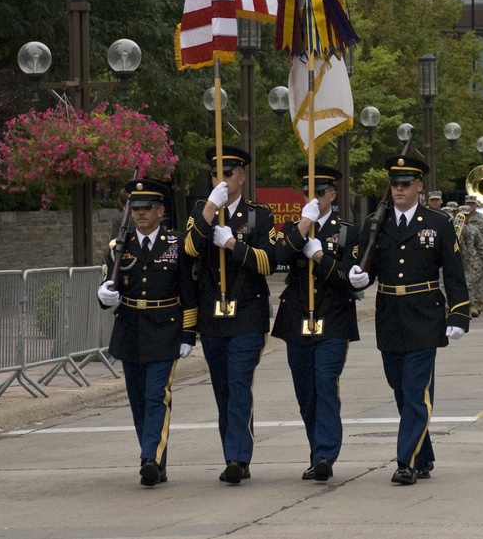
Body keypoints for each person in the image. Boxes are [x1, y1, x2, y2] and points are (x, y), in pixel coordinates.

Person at [348, 155, 471, 485]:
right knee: (401, 390)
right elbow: (364, 265)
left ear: (419, 186)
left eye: (405, 183)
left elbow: (454, 272)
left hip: (424, 314)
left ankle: (407, 461)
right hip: (389, 314)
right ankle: (425, 453)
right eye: (394, 183)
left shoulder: (438, 222)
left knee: (416, 391)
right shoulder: (377, 223)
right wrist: (358, 278)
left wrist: (459, 312)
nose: (399, 188)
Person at [97, 178, 197, 487]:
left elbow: (189, 292)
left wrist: (188, 333)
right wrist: (104, 295)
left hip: (165, 329)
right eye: (135, 208)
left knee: (157, 395)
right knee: (139, 399)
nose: (140, 213)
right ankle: (155, 458)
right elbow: (107, 285)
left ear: (160, 211)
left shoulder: (176, 245)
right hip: (130, 328)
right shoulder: (119, 246)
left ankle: (150, 459)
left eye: (147, 208)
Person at [184, 145, 275, 485]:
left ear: (240, 177)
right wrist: (210, 210)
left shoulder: (258, 216)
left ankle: (238, 458)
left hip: (248, 314)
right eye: (214, 174)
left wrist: (235, 246)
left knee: (239, 384)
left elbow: (268, 262)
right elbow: (189, 250)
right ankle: (232, 452)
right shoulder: (200, 211)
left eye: (225, 173)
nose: (218, 179)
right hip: (212, 316)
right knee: (223, 389)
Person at [272, 165, 359, 483]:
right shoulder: (293, 227)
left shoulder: (348, 231)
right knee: (306, 392)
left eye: (320, 192)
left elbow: (352, 276)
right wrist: (303, 227)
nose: (314, 197)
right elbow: (279, 257)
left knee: (325, 383)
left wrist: (321, 257)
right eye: (308, 192)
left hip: (333, 317)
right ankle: (316, 452)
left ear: (333, 195)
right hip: (297, 317)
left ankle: (325, 454)